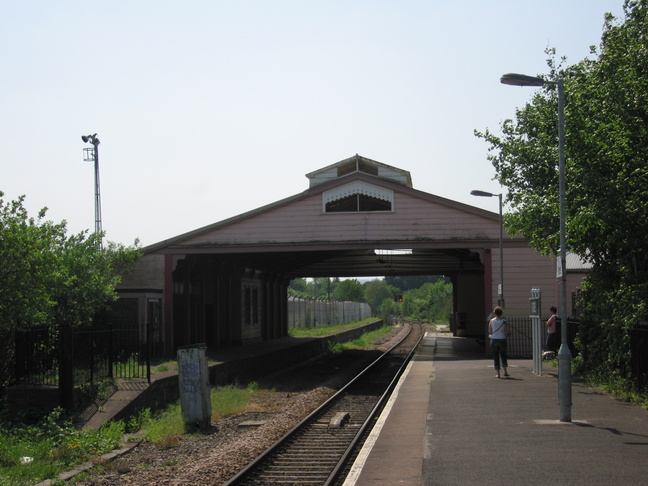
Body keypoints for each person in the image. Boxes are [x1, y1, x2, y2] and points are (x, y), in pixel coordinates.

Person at [488, 306, 509, 378]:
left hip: (494, 339)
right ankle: (505, 371)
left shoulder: (491, 321)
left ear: (495, 313)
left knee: (495, 356)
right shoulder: (504, 322)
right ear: (501, 313)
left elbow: (490, 331)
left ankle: (498, 373)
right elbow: (506, 332)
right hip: (502, 339)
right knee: (503, 355)